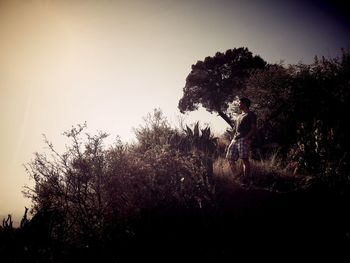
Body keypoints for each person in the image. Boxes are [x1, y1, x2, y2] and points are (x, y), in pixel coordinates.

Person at [226, 97, 257, 182]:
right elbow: (235, 129)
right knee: (230, 158)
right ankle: (237, 177)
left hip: (244, 139)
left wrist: (246, 138)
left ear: (245, 104)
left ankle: (247, 180)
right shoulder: (238, 116)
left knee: (244, 159)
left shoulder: (250, 114)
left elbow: (253, 128)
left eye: (240, 103)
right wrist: (231, 138)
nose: (238, 104)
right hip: (235, 139)